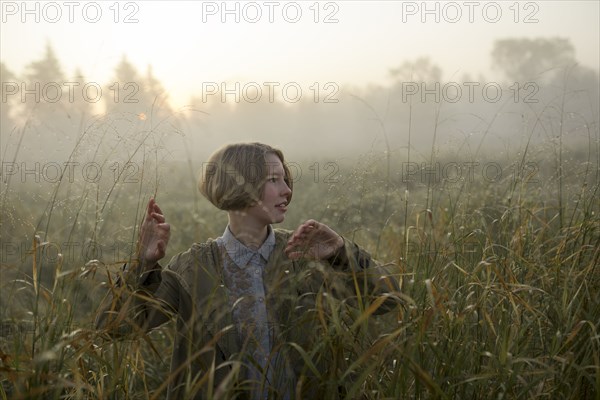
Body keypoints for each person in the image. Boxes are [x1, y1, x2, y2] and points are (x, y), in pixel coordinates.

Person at [96, 142, 400, 399]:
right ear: (236, 186)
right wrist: (142, 263)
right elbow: (112, 329)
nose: (287, 191)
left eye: (285, 179)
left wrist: (341, 253)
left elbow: (389, 302)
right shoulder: (193, 268)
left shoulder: (305, 252)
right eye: (273, 180)